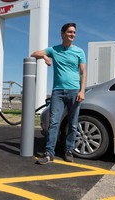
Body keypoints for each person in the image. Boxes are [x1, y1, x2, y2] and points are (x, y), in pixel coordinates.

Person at [31, 23, 86, 164]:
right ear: (62, 34)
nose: (72, 34)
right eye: (69, 32)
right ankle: (49, 153)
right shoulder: (54, 50)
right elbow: (34, 53)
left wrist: (82, 91)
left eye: (74, 32)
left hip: (74, 91)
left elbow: (83, 73)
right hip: (58, 92)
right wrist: (45, 57)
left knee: (73, 124)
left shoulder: (79, 52)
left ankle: (69, 150)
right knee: (54, 123)